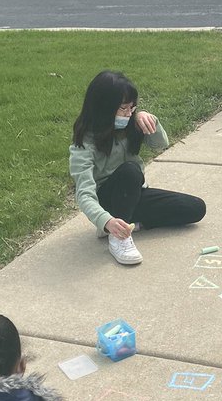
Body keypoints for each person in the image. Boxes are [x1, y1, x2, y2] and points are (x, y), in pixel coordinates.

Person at [69, 70, 205, 266]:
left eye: (132, 108)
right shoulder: (83, 144)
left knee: (195, 208)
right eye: (123, 108)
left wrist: (149, 119)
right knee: (131, 170)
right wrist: (105, 220)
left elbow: (160, 144)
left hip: (134, 194)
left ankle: (130, 224)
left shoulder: (130, 125)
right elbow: (84, 194)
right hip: (107, 200)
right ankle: (118, 237)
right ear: (104, 108)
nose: (128, 114)